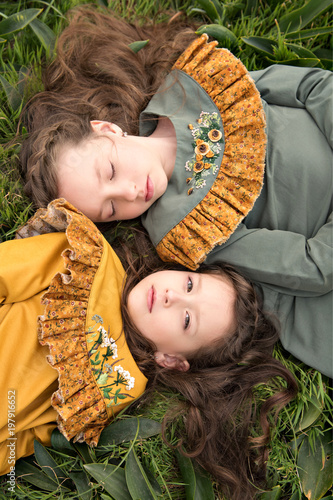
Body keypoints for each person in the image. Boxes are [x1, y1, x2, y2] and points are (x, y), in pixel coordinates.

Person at [18, 7, 332, 377]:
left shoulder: (190, 87)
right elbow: (311, 266)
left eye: (112, 171)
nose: (131, 192)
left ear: (106, 129)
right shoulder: (185, 229)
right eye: (112, 207)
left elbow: (310, 87)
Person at [0, 199, 296, 499]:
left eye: (186, 319)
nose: (172, 297)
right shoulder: (90, 260)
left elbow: (31, 434)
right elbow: (6, 269)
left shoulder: (120, 387)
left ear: (170, 359)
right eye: (190, 285)